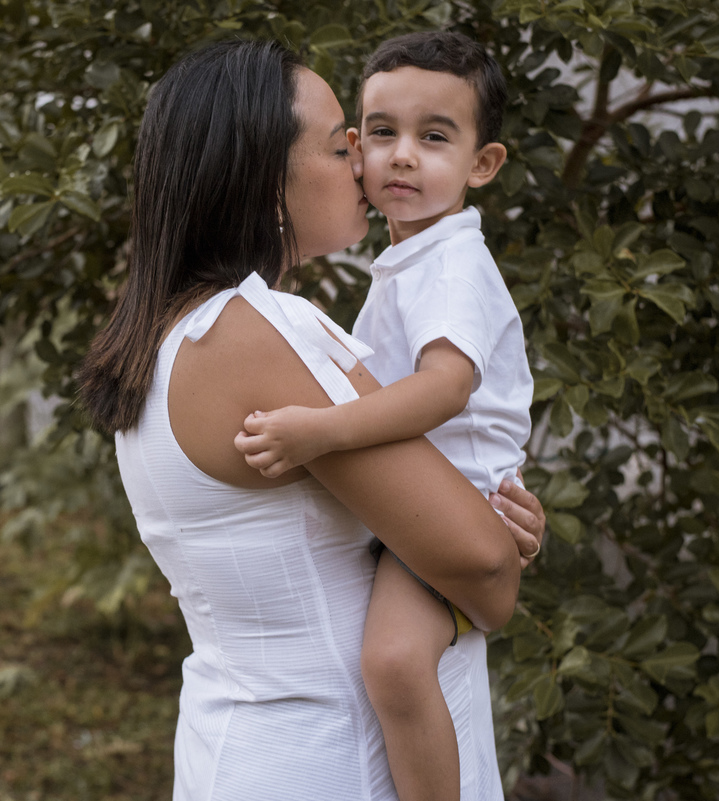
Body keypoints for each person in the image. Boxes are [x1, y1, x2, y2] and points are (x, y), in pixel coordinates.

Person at [78, 39, 545, 801]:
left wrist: (482, 503)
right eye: (342, 146)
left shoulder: (167, 334)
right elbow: (484, 573)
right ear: (267, 182)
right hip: (336, 763)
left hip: (236, 748)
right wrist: (499, 539)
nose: (366, 165)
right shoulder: (267, 332)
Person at [234, 32, 531, 800]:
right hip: (431, 496)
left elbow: (445, 389)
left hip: (460, 497)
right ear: (355, 147)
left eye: (434, 137)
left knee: (395, 662)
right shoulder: (409, 262)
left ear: (482, 164)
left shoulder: (453, 264)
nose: (401, 155)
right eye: (381, 132)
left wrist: (320, 430)